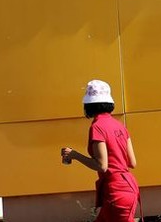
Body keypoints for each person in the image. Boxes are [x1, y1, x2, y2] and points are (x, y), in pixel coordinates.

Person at [62, 80, 140, 222]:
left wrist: (75, 155)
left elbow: (101, 166)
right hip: (129, 188)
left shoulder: (97, 127)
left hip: (115, 191)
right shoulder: (120, 125)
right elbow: (132, 162)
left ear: (88, 105)